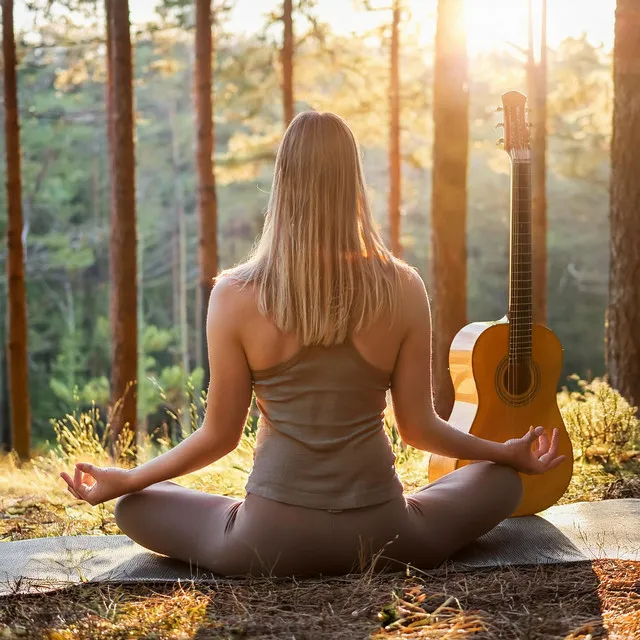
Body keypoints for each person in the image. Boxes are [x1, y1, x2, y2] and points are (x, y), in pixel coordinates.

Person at [61, 111, 565, 577]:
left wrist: (128, 479)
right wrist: (505, 452)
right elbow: (418, 427)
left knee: (136, 504)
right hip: (390, 537)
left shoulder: (233, 295)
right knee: (502, 480)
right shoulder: (403, 286)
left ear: (283, 182)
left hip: (263, 544)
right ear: (354, 181)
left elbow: (219, 437)